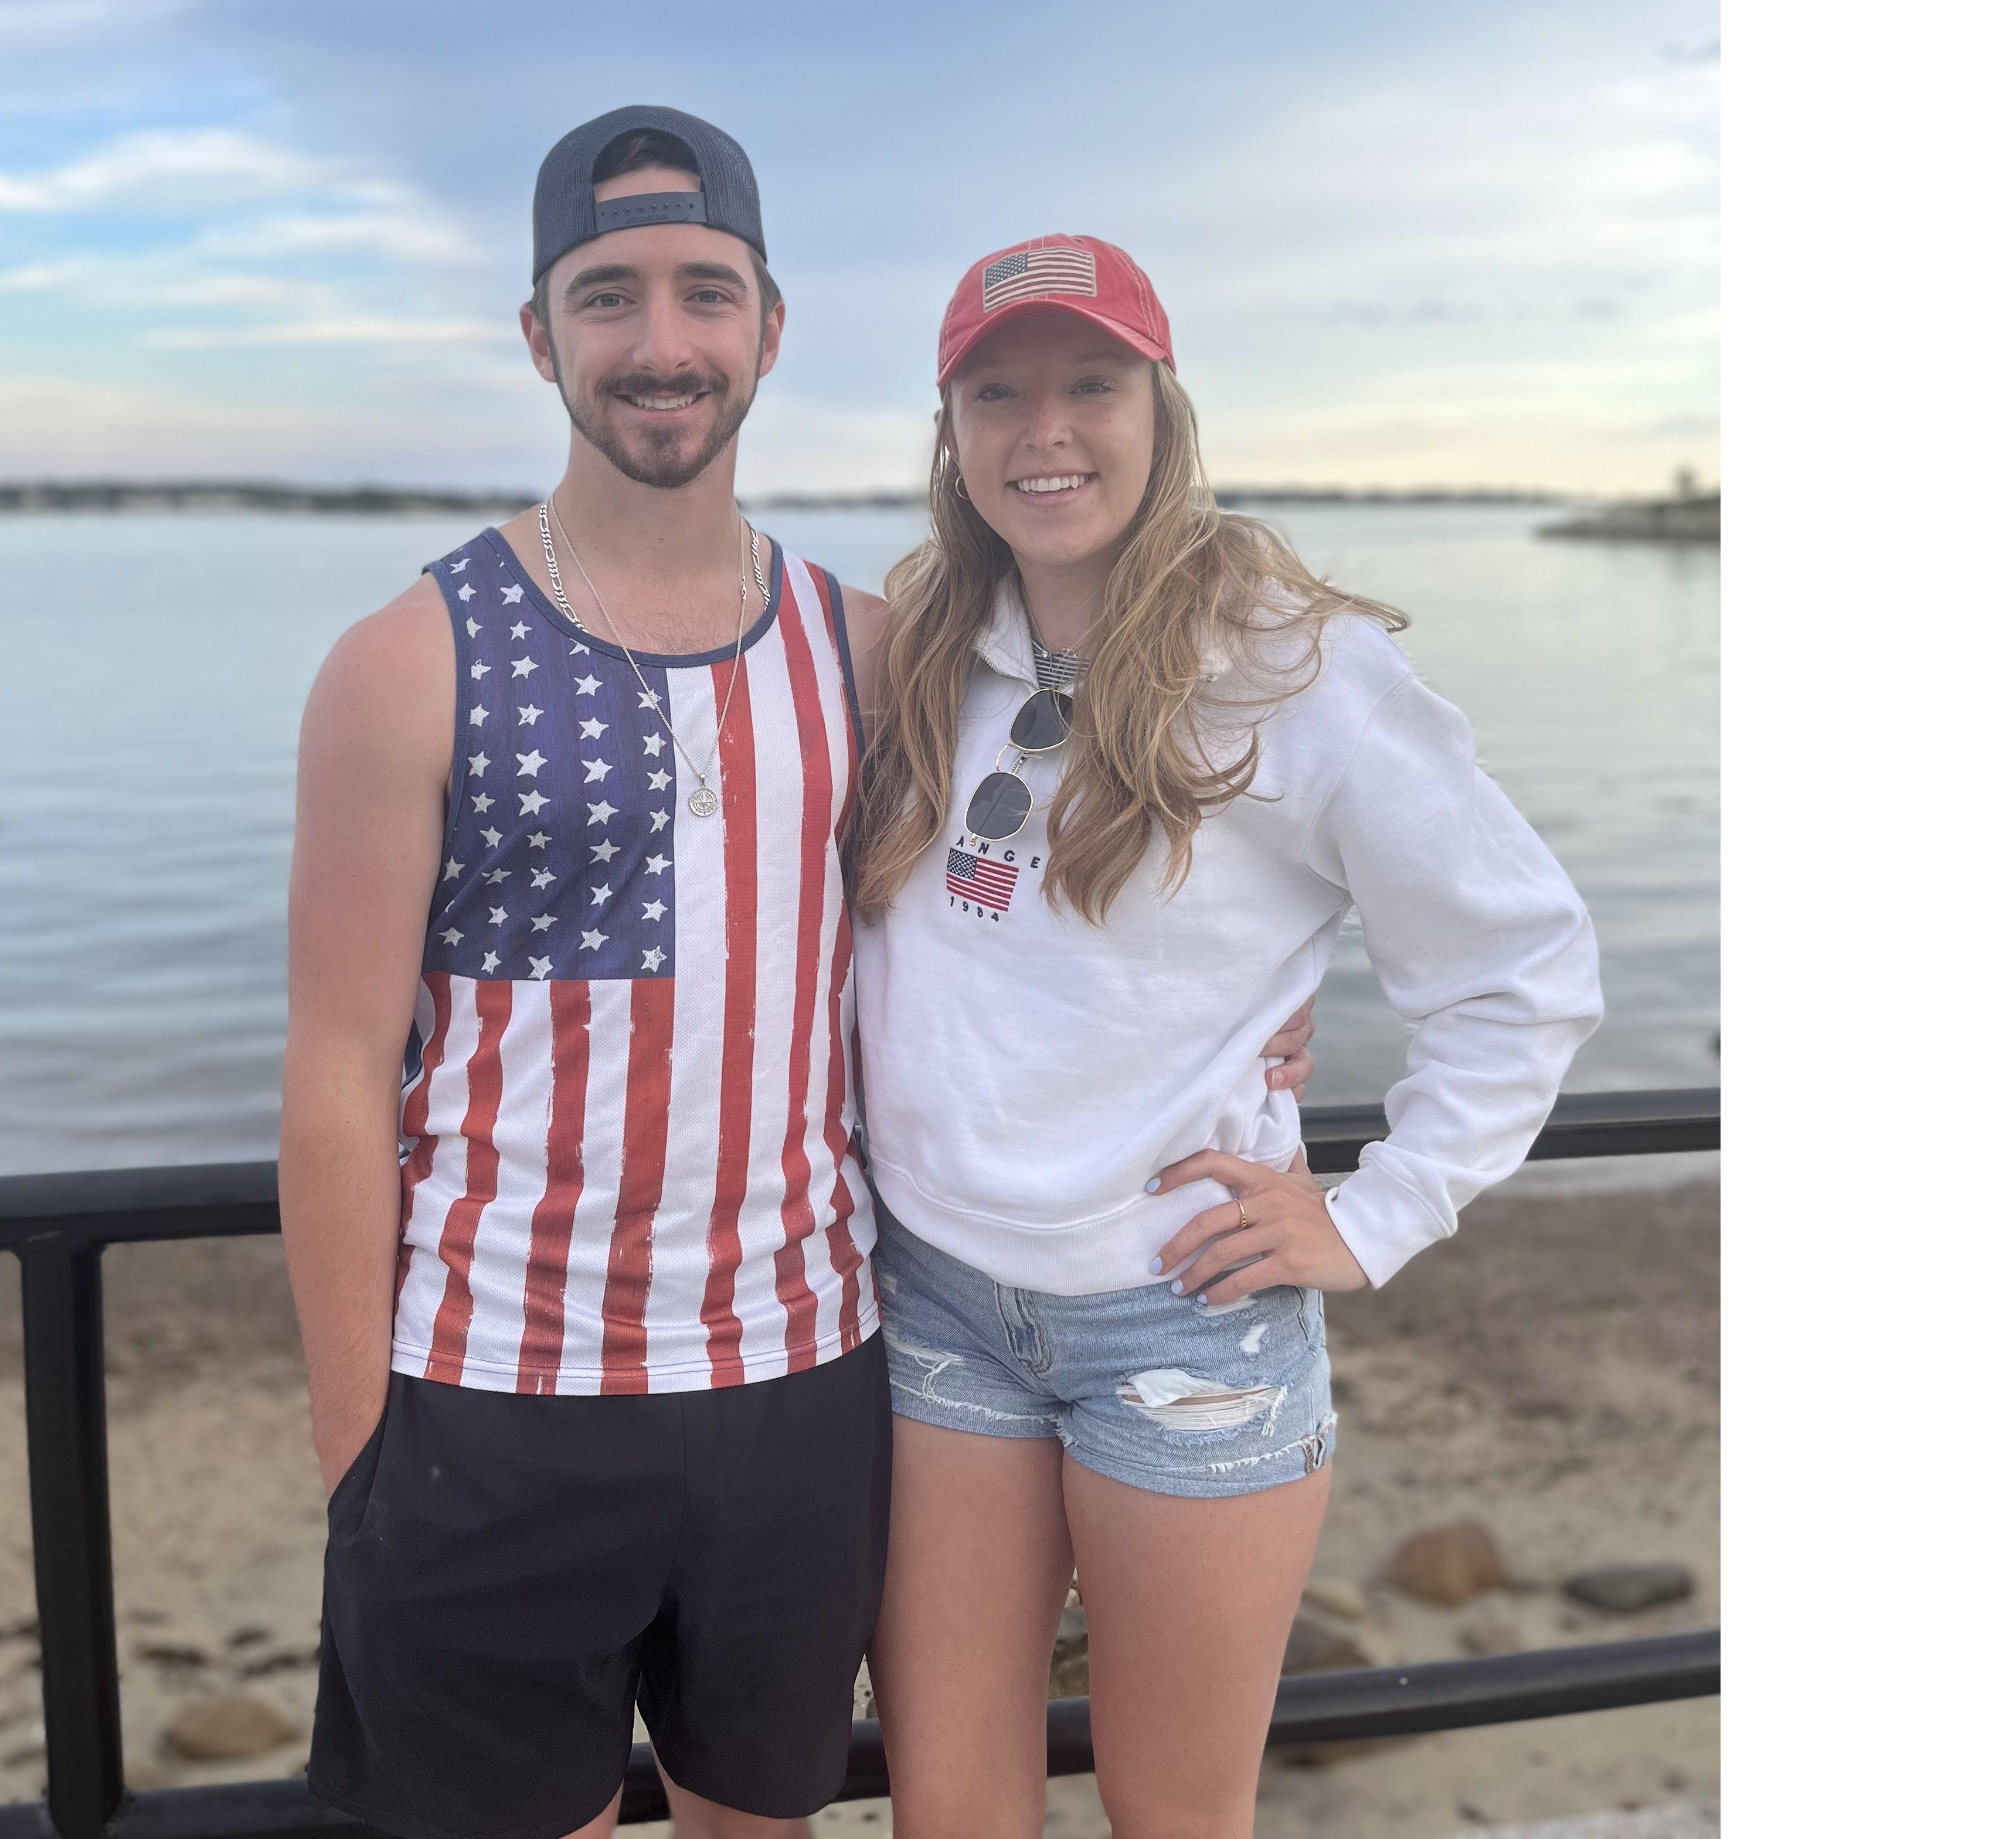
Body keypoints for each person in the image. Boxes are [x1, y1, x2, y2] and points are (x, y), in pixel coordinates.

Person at [281, 113, 1317, 1839]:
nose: (661, 342)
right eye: (607, 296)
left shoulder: (874, 650)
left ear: (770, 330)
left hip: (805, 1385)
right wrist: (360, 1452)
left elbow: (1053, 890)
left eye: (707, 292)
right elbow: (334, 1069)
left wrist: (1265, 999)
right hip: (493, 1391)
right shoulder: (410, 663)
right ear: (540, 335)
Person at [846, 235, 1603, 1839]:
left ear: (1163, 411)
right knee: (948, 1809)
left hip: (1180, 1323)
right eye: (997, 395)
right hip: (933, 1300)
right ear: (951, 432)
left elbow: (1519, 967)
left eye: (1091, 384)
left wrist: (1378, 1213)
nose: (1045, 430)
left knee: (1176, 1815)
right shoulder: (916, 645)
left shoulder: (1294, 667)